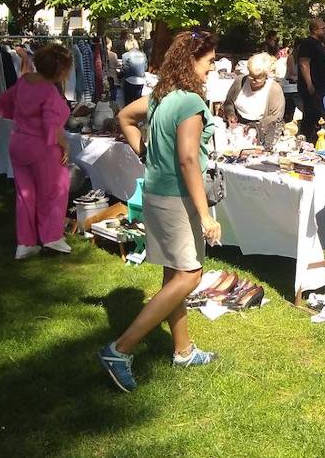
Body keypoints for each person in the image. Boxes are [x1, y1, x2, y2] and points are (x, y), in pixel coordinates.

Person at [100, 31, 221, 392]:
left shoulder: (161, 97)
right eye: (209, 61)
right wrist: (206, 215)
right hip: (176, 198)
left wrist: (144, 152)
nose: (212, 69)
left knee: (174, 275)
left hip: (156, 193)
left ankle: (183, 350)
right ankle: (119, 350)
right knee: (189, 276)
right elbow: (187, 160)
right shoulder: (190, 104)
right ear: (191, 61)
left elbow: (123, 117)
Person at [0, 44, 74, 260]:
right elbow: (51, 124)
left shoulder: (24, 82)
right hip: (41, 147)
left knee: (25, 195)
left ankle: (25, 243)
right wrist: (64, 144)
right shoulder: (48, 90)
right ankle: (51, 236)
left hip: (18, 143)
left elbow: (6, 102)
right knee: (54, 190)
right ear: (61, 70)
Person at [221, 52, 285, 146]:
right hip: (237, 128)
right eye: (251, 76)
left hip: (262, 131)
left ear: (266, 75)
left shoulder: (274, 89)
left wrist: (254, 128)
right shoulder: (240, 81)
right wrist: (231, 115)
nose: (253, 80)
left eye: (258, 78)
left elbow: (275, 117)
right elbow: (228, 102)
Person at [297, 18, 325, 141]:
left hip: (319, 87)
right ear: (315, 30)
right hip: (312, 87)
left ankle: (309, 138)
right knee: (316, 115)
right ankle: (314, 139)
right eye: (323, 29)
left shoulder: (318, 44)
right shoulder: (308, 44)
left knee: (312, 116)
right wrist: (309, 84)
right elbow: (304, 64)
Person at [121, 39, 148, 105]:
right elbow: (145, 68)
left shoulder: (125, 55)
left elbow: (125, 69)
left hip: (129, 80)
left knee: (128, 102)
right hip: (141, 80)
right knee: (137, 101)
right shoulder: (143, 55)